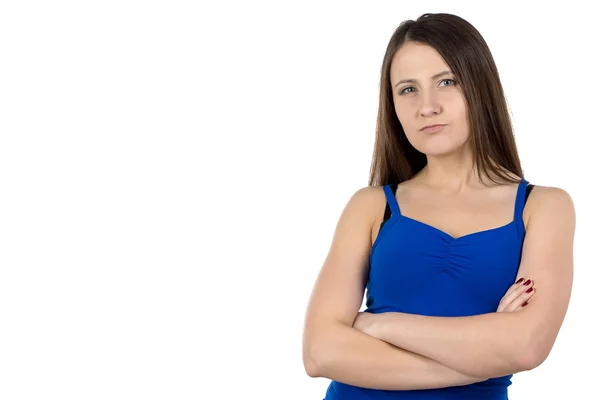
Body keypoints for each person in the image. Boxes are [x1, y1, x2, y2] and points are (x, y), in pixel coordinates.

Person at [301, 12, 576, 400]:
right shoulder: (371, 207)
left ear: (480, 87)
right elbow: (320, 352)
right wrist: (486, 357)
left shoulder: (544, 207)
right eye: (407, 89)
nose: (426, 106)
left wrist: (383, 325)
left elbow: (527, 346)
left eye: (446, 82)